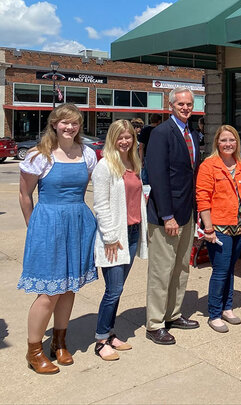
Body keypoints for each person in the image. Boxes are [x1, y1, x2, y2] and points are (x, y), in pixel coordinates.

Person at [18, 103, 98, 374]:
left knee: (68, 288)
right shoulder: (39, 155)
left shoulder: (87, 154)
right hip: (48, 224)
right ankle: (35, 350)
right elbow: (25, 195)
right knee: (48, 293)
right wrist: (34, 228)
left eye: (75, 123)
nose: (70, 127)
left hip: (77, 223)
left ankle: (60, 342)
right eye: (64, 122)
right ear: (54, 124)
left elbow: (83, 188)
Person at [144, 87, 200, 345]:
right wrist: (167, 215)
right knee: (161, 270)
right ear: (171, 106)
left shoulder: (192, 133)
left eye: (189, 104)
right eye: (181, 104)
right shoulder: (161, 133)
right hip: (166, 216)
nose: (186, 107)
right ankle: (155, 323)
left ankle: (173, 314)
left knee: (181, 268)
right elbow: (158, 177)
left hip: (187, 212)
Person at [92, 120, 148, 361]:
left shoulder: (132, 163)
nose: (125, 141)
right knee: (113, 290)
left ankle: (111, 332)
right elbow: (101, 205)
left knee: (119, 288)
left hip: (133, 233)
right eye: (120, 137)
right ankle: (101, 340)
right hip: (115, 236)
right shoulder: (105, 166)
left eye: (128, 137)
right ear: (112, 139)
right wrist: (111, 237)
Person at [196, 125, 241, 333]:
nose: (228, 144)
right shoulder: (209, 166)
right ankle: (215, 313)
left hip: (239, 225)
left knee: (231, 268)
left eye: (232, 140)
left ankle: (228, 307)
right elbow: (202, 197)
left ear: (237, 142)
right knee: (220, 270)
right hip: (218, 227)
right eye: (223, 141)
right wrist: (208, 227)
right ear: (216, 143)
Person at [138, 113, 162, 184]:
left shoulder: (144, 130)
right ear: (159, 121)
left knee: (145, 178)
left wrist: (141, 160)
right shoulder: (161, 130)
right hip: (159, 157)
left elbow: (141, 147)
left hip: (147, 156)